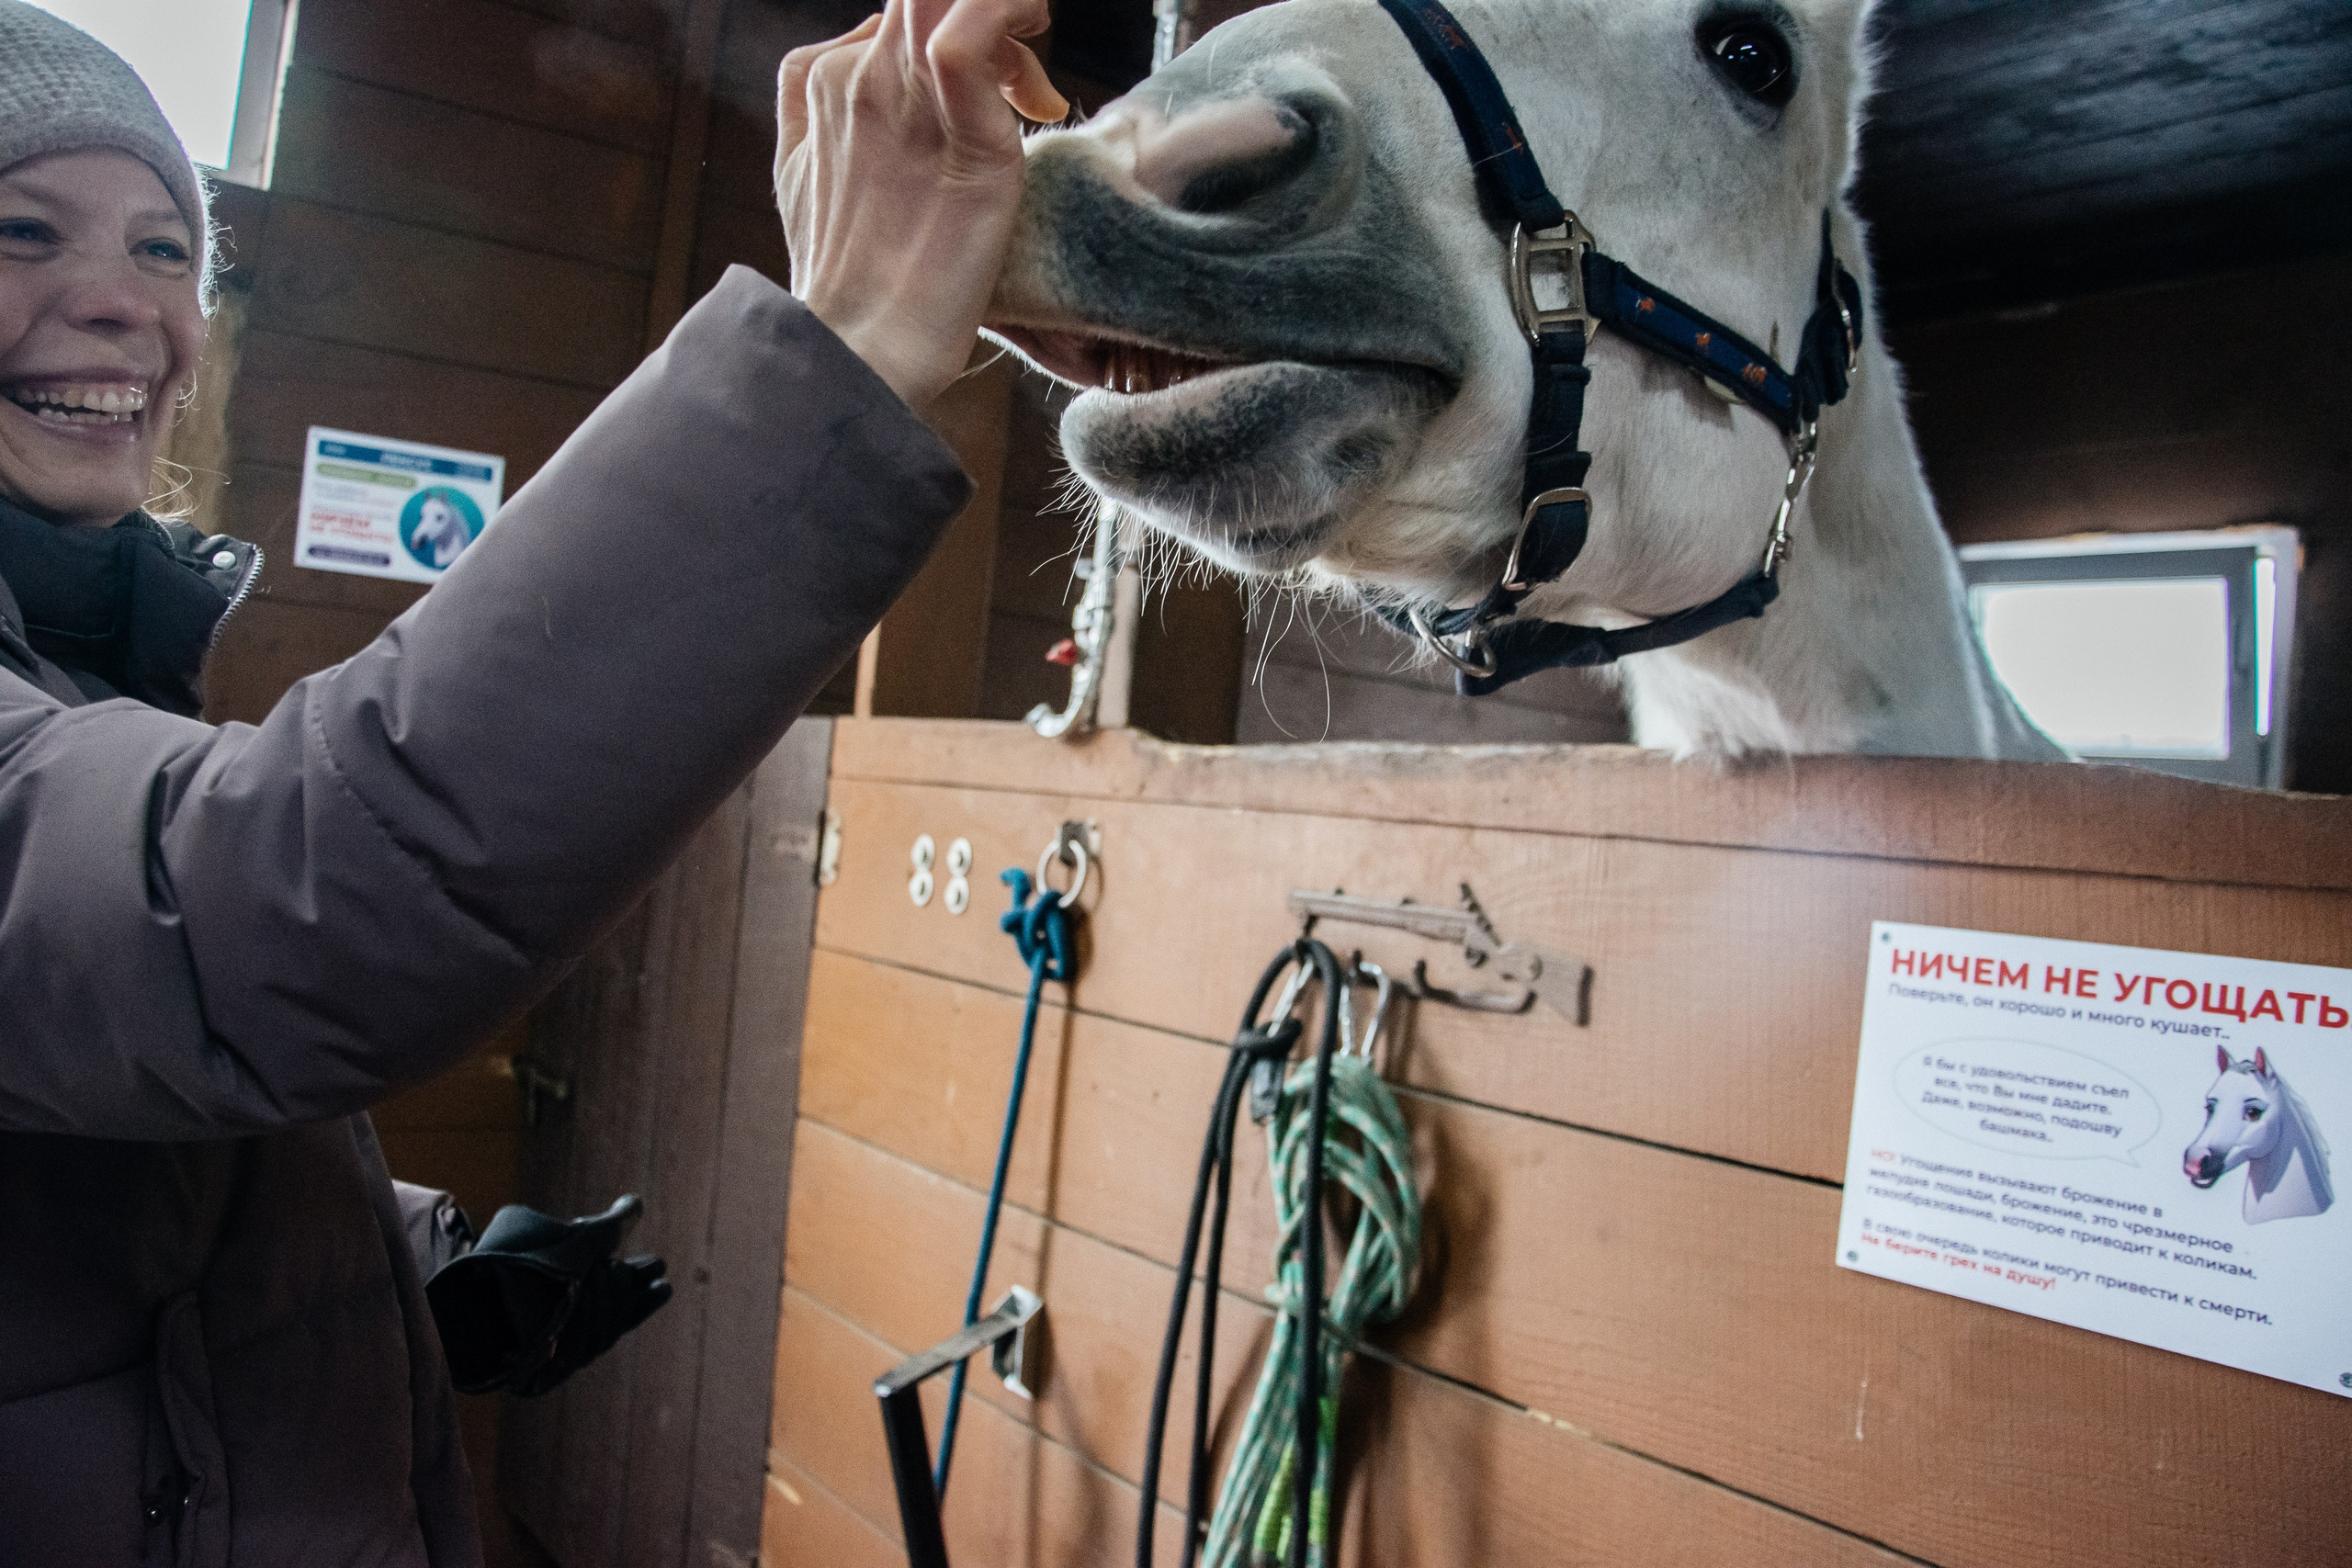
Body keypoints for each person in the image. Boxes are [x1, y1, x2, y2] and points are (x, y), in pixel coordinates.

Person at [0, 0, 1066, 1561]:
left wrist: (406, 1263)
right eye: (26, 230)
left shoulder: (88, 665)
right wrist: (840, 347)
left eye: (168, 251)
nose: (118, 301)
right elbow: (276, 906)